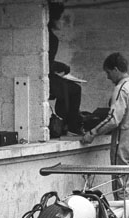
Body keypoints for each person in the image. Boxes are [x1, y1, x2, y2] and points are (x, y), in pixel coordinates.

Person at [80, 52, 129, 200]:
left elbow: (113, 119)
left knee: (121, 187)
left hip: (124, 141)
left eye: (108, 73)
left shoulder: (121, 89)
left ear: (115, 69)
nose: (108, 77)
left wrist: (93, 132)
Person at [48, 2, 83, 136]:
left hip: (46, 75)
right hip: (43, 78)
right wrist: (60, 66)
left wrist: (59, 65)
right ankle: (71, 124)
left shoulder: (49, 36)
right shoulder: (51, 38)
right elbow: (45, 64)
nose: (63, 21)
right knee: (74, 89)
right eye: (61, 18)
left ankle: (64, 121)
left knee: (67, 88)